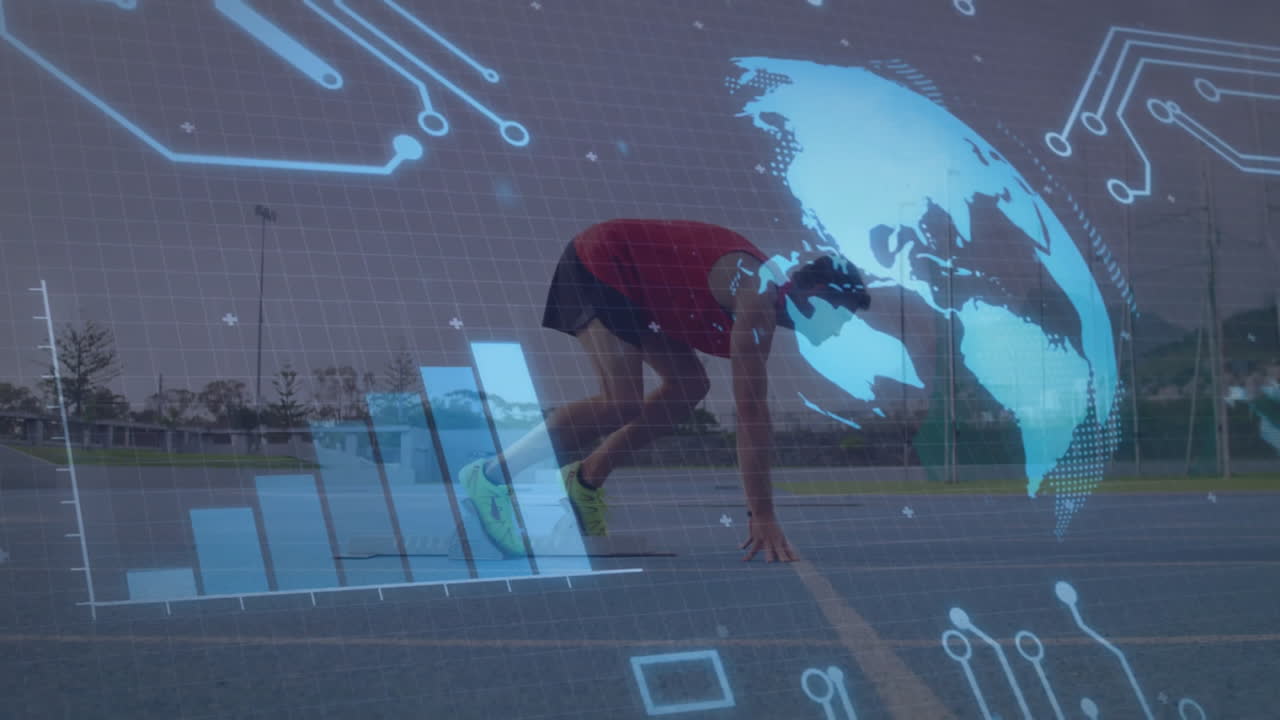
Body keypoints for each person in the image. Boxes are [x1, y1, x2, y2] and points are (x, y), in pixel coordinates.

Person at [459, 219, 870, 563]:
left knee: (689, 385)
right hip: (603, 262)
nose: (839, 332)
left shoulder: (762, 299)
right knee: (621, 400)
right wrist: (762, 512)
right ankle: (490, 476)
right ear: (816, 297)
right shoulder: (758, 298)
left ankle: (583, 481)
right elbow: (750, 413)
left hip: (645, 292)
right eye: (843, 319)